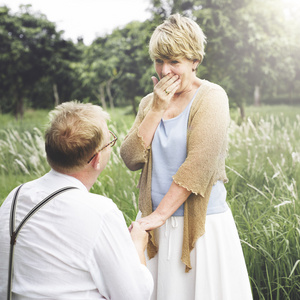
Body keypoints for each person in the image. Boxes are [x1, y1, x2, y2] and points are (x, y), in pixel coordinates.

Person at [120, 14, 252, 300]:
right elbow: (130, 158)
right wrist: (155, 110)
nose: (165, 70)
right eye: (159, 61)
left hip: (199, 226)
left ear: (195, 61)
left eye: (174, 61)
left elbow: (199, 166)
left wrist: (157, 216)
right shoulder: (149, 102)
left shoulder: (211, 97)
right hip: (154, 227)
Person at [0, 101, 153, 300]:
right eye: (110, 142)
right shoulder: (100, 212)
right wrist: (137, 246)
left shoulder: (16, 196)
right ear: (97, 159)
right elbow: (135, 295)